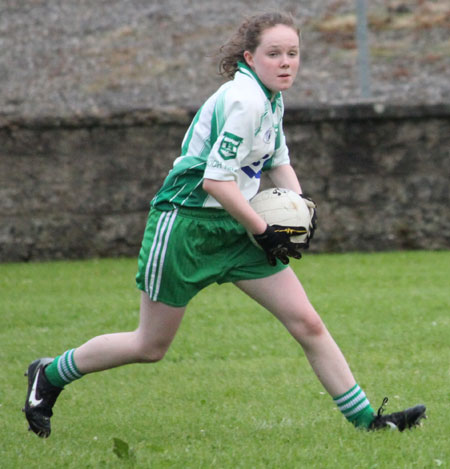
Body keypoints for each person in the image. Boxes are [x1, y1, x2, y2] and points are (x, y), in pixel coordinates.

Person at [23, 12, 426, 438]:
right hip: (186, 227)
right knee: (150, 346)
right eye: (275, 54)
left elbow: (277, 161)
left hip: (237, 225)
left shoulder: (272, 99)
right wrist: (262, 229)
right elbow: (215, 180)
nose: (286, 62)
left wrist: (300, 210)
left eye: (293, 53)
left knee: (307, 323)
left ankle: (370, 422)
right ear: (249, 58)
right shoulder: (245, 101)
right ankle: (49, 375)